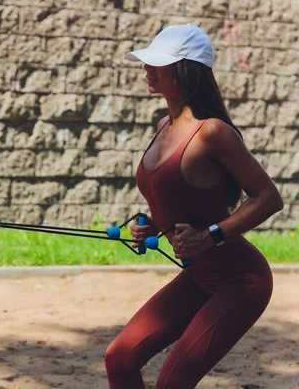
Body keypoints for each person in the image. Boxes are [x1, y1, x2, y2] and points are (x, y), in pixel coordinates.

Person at [104, 23, 285, 388]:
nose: (147, 68)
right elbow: (179, 199)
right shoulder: (163, 126)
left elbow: (269, 198)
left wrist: (212, 235)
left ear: (185, 70)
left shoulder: (212, 132)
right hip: (200, 276)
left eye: (159, 63)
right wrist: (151, 225)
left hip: (240, 280)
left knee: (172, 382)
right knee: (119, 358)